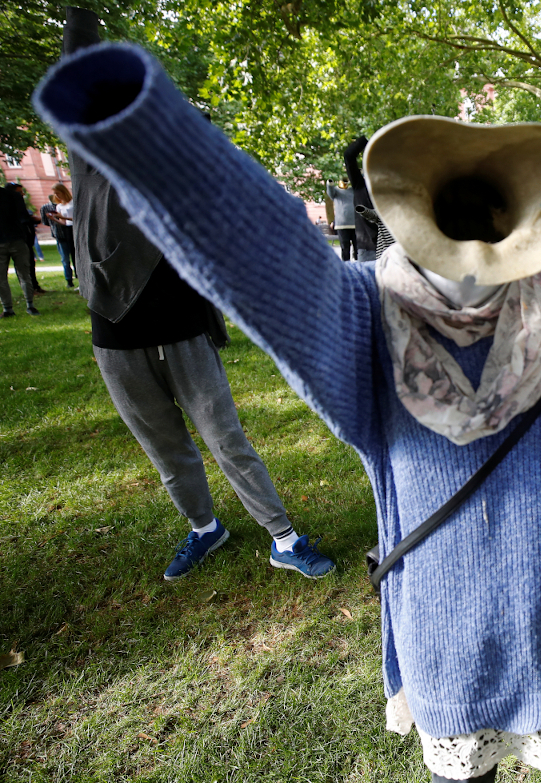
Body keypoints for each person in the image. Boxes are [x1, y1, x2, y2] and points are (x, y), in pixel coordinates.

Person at [36, 41, 541, 783]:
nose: (471, 231)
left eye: (487, 207)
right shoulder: (365, 309)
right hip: (448, 639)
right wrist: (143, 131)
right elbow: (268, 261)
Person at [52, 10, 334, 582]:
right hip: (118, 335)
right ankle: (205, 529)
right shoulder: (93, 156)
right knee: (166, 450)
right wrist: (81, 12)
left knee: (225, 437)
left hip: (184, 333)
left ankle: (283, 537)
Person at [0, 184, 39, 317]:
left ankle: (8, 308)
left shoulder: (14, 196)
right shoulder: (14, 196)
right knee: (24, 274)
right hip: (17, 238)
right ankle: (30, 306)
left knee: (1, 278)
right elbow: (23, 218)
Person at [343, 135, 378, 263]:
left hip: (388, 249)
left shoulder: (389, 188)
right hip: (366, 248)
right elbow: (349, 156)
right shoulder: (359, 185)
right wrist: (365, 139)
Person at [45, 183, 77, 286]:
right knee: (66, 257)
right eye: (55, 194)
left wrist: (64, 217)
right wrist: (54, 218)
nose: (57, 196)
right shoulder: (59, 206)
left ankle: (80, 277)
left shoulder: (73, 202)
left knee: (76, 255)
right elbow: (63, 222)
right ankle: (70, 280)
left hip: (75, 228)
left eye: (58, 193)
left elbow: (77, 219)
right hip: (67, 231)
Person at [326, 179, 357, 260]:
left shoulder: (353, 190)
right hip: (342, 225)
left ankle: (358, 266)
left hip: (355, 224)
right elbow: (330, 191)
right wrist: (330, 183)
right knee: (345, 248)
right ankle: (346, 267)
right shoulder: (335, 191)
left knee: (358, 248)